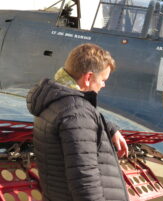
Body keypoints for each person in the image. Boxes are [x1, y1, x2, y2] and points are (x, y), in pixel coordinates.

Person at [26, 43, 129, 201]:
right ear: (88, 77)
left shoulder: (56, 101)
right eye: (102, 79)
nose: (103, 84)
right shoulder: (77, 114)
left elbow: (79, 121)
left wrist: (110, 128)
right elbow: (85, 181)